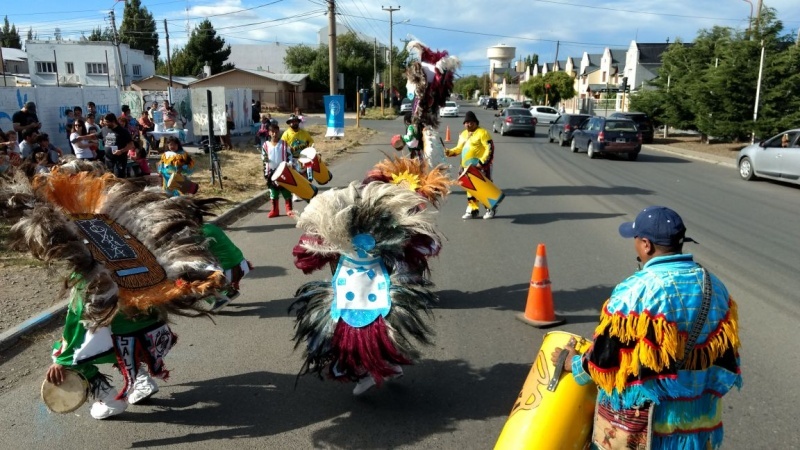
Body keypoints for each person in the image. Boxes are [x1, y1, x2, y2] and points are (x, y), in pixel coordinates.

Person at [552, 206, 742, 449]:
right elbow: (727, 360)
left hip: (644, 431)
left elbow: (606, 361)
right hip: (698, 426)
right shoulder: (716, 288)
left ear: (646, 245)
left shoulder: (635, 291)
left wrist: (574, 364)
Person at [445, 110, 497, 219]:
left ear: (476, 122)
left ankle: (490, 209)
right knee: (470, 189)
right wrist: (450, 152)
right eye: (466, 122)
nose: (468, 124)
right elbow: (459, 148)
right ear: (464, 124)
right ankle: (472, 209)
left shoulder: (483, 133)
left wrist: (482, 163)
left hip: (480, 167)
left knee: (483, 188)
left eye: (471, 122)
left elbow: (490, 148)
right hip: (466, 168)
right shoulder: (463, 134)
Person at [261, 123, 293, 218]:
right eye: (272, 132)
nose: (274, 134)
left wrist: (290, 163)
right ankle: (275, 210)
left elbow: (289, 155)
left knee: (286, 190)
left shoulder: (284, 144)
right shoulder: (266, 145)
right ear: (269, 133)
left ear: (278, 132)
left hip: (283, 171)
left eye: (276, 132)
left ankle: (289, 209)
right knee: (273, 191)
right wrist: (264, 158)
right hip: (271, 172)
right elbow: (263, 156)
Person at [102, 113, 134, 178]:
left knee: (119, 177)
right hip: (108, 160)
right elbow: (95, 136)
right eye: (104, 122)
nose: (105, 123)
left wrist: (121, 151)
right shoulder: (104, 129)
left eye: (107, 122)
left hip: (120, 160)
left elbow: (131, 145)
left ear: (113, 121)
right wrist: (81, 137)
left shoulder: (123, 131)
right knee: (108, 177)